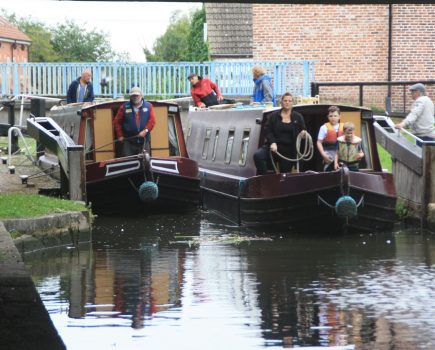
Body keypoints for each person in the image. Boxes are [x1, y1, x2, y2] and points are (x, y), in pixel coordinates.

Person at [253, 92, 307, 175]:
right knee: (258, 156)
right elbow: (268, 130)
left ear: (292, 103)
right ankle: (265, 178)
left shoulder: (298, 117)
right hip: (273, 147)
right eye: (285, 100)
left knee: (284, 175)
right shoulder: (273, 116)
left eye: (289, 101)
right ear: (281, 102)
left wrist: (303, 134)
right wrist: (273, 142)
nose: (287, 102)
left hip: (288, 151)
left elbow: (303, 130)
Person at [113, 87, 156, 157]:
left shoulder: (149, 106)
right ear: (130, 96)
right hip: (129, 141)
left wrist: (145, 130)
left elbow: (152, 121)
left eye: (137, 95)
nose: (135, 97)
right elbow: (116, 122)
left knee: (144, 162)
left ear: (141, 96)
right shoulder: (124, 107)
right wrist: (120, 135)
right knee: (128, 162)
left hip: (144, 141)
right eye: (133, 95)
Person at [317, 105, 344, 171]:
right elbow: (319, 142)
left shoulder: (344, 127)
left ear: (339, 117)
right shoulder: (323, 127)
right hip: (329, 156)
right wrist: (323, 155)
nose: (333, 118)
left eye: (335, 116)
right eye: (331, 116)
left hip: (341, 157)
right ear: (328, 117)